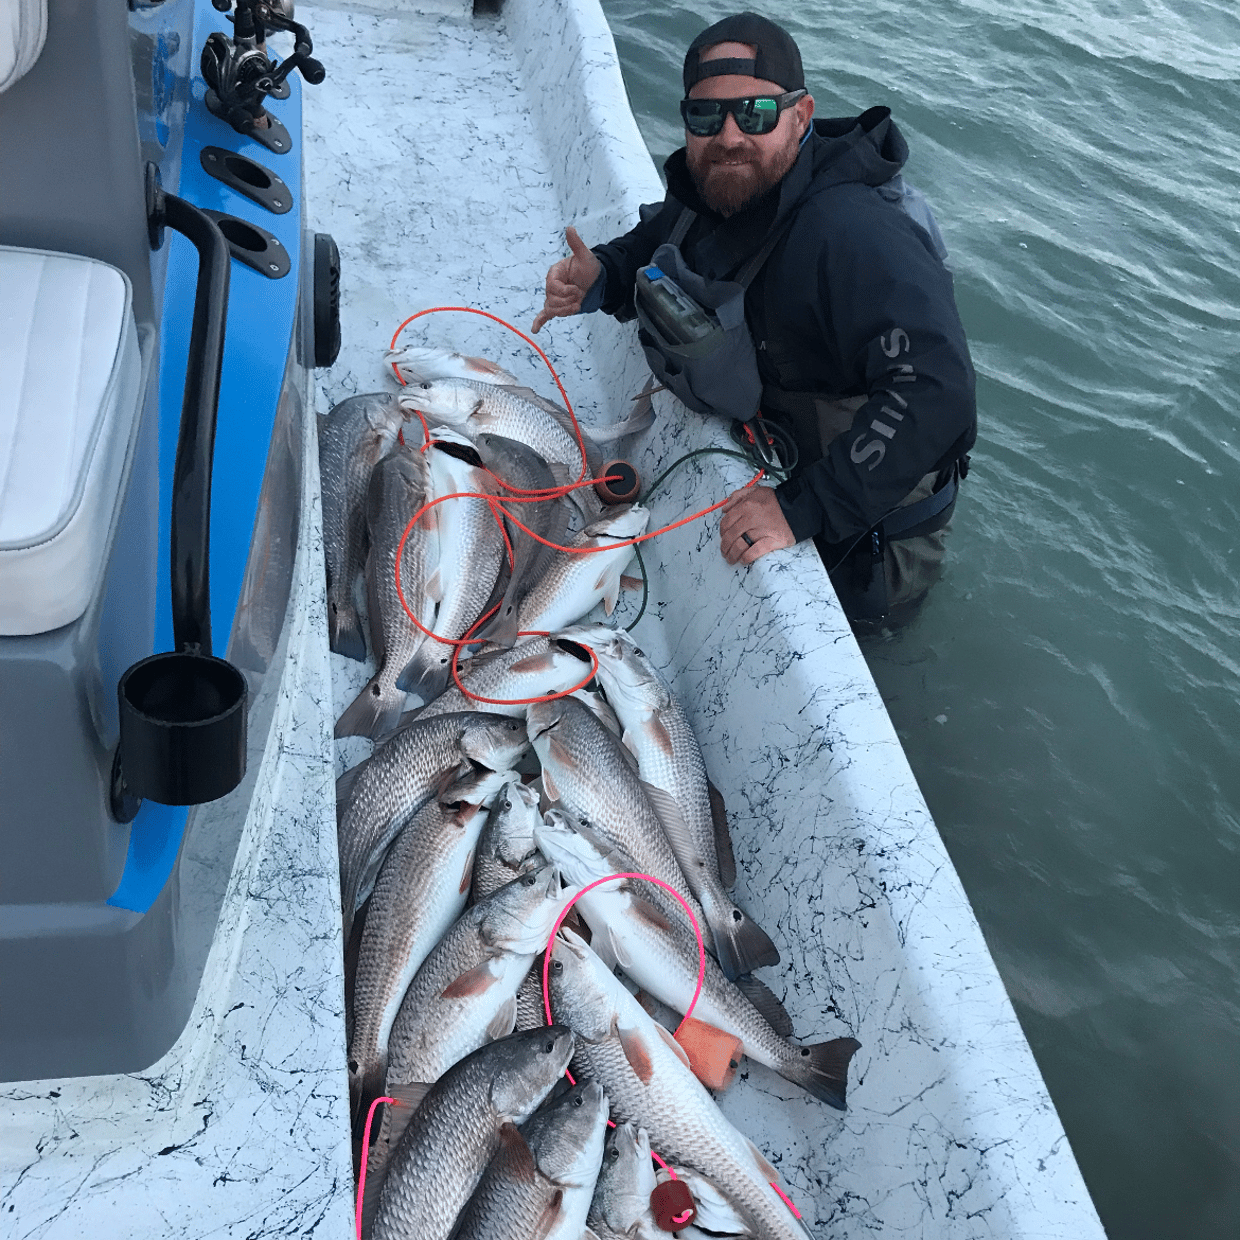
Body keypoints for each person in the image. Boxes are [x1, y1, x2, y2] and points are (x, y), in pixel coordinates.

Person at [532, 12, 976, 626]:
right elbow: (664, 236)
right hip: (781, 442)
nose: (731, 136)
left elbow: (938, 388)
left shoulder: (855, 234)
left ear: (801, 115)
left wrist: (804, 508)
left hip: (871, 535)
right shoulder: (720, 184)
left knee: (872, 647)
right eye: (706, 117)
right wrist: (603, 275)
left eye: (756, 113)